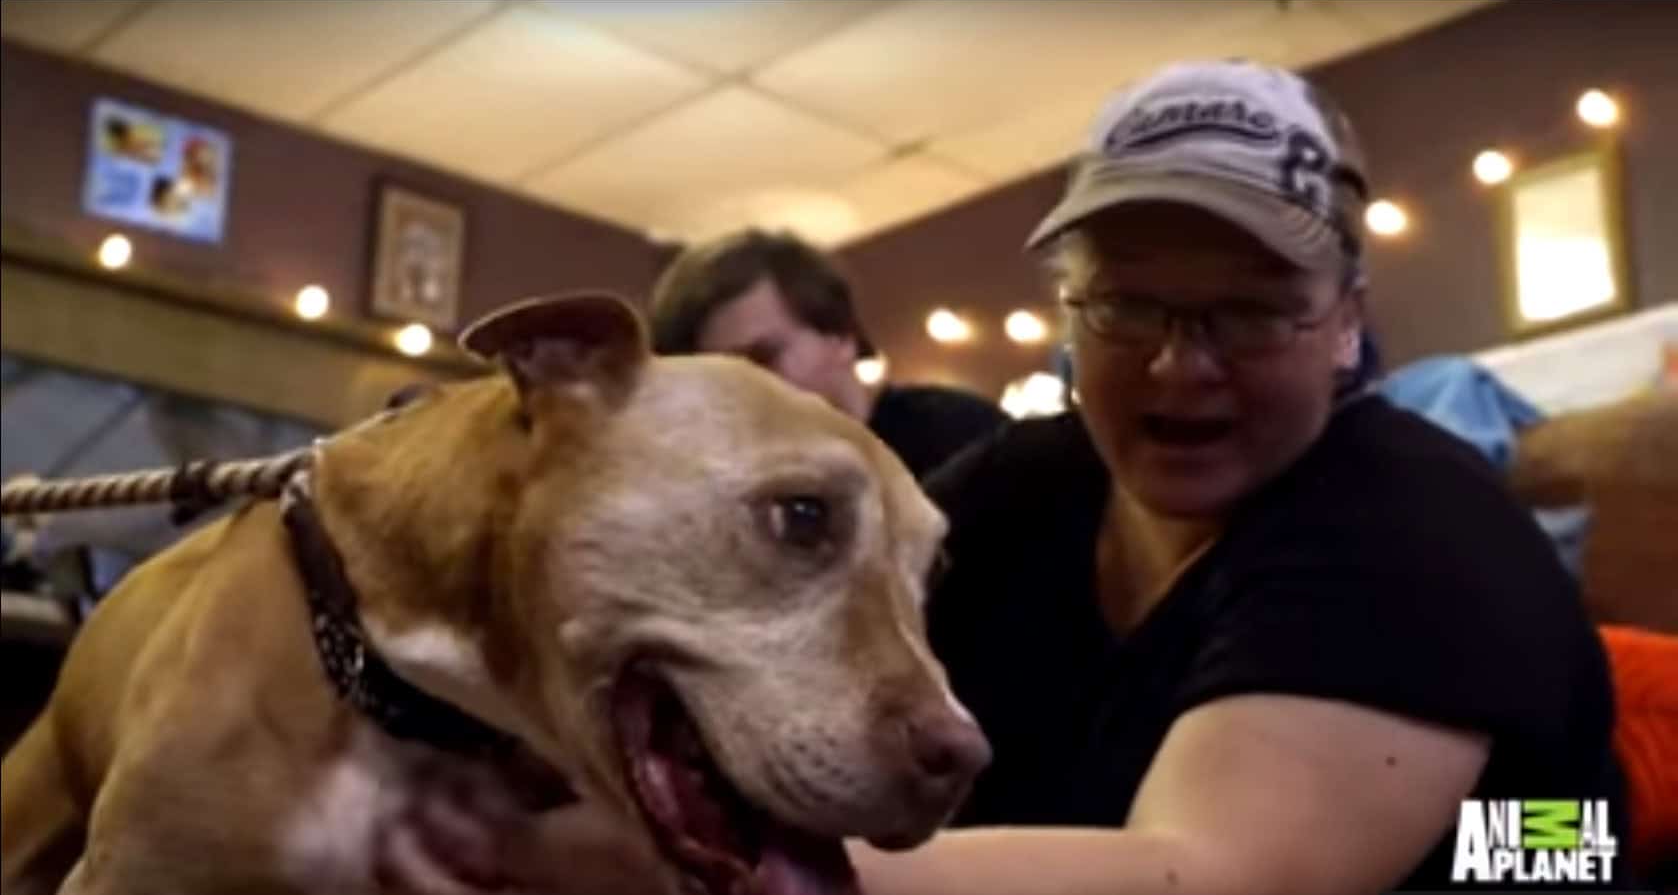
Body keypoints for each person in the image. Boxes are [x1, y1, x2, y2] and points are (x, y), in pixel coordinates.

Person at [383, 60, 1629, 894]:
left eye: (1249, 312)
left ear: (1346, 323)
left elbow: (1203, 875)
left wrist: (684, 862)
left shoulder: (1417, 534)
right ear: (1071, 310)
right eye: (1126, 304)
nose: (1180, 365)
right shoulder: (1032, 485)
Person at [646, 229, 1009, 479]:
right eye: (722, 382)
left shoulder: (962, 436)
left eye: (763, 357)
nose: (746, 393)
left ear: (840, 335)